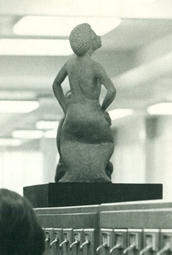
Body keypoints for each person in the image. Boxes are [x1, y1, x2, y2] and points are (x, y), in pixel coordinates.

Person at [53, 23, 116, 183]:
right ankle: (99, 173)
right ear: (88, 43)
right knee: (105, 141)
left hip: (73, 114)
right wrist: (102, 109)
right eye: (95, 35)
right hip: (93, 112)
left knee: (69, 142)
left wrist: (66, 108)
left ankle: (72, 174)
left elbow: (56, 85)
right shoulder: (95, 66)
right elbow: (112, 91)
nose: (99, 37)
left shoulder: (70, 63)